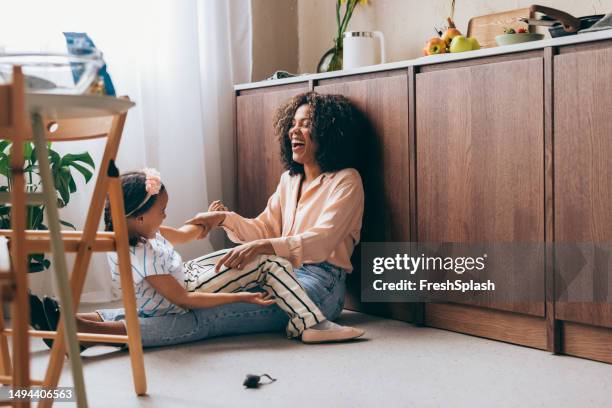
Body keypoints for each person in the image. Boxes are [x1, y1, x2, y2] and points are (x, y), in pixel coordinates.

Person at [94, 91, 366, 348]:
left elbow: (322, 241)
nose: (293, 131)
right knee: (180, 297)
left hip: (319, 284)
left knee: (210, 312)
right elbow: (263, 230)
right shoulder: (290, 180)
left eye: (305, 124)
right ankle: (85, 323)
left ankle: (97, 333)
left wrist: (261, 248)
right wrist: (223, 219)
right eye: (292, 124)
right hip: (278, 270)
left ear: (328, 133)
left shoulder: (346, 180)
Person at [29, 168, 364, 348]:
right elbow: (186, 297)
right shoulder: (289, 180)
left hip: (311, 280)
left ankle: (83, 326)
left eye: (306, 125)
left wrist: (217, 220)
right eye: (161, 211)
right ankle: (311, 323)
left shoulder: (143, 235)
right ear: (139, 217)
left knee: (233, 270)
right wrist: (244, 288)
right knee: (255, 269)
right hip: (184, 289)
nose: (166, 216)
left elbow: (187, 233)